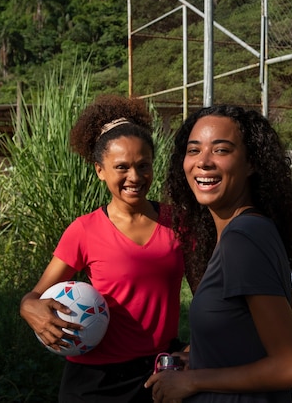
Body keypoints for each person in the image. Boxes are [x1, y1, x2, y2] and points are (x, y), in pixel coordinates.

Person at [19, 94, 185, 402]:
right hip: (93, 381)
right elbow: (35, 295)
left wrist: (195, 349)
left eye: (143, 165)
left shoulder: (179, 223)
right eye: (121, 167)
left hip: (160, 376)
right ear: (100, 170)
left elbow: (206, 296)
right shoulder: (83, 230)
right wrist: (29, 308)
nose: (134, 177)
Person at [145, 105, 292, 402]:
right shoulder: (240, 231)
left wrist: (194, 380)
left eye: (221, 150)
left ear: (251, 163)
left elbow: (291, 367)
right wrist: (198, 357)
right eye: (193, 150)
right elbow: (246, 341)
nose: (203, 162)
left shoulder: (243, 239)